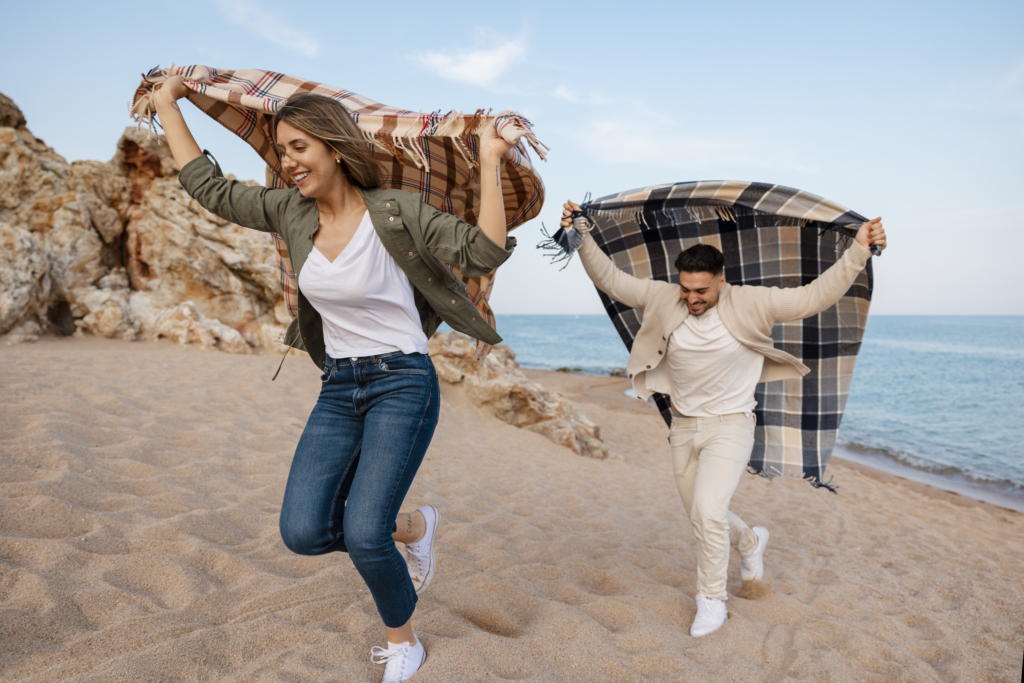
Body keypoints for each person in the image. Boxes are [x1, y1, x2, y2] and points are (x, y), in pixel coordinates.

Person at [153, 75, 517, 682]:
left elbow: (483, 252)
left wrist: (488, 160)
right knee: (303, 531)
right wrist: (168, 105)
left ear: (335, 148)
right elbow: (212, 190)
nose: (288, 162)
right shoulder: (290, 212)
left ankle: (404, 642)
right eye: (282, 149)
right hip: (339, 388)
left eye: (299, 148)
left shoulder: (395, 214)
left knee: (364, 532)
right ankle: (417, 527)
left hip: (402, 383)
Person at [560, 199, 886, 638]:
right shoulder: (664, 297)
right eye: (686, 290)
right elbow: (611, 279)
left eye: (702, 291)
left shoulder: (751, 302)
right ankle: (752, 541)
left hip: (731, 425)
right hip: (684, 427)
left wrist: (859, 249)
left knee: (709, 513)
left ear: (721, 281)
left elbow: (814, 297)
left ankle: (711, 600)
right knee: (701, 514)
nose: (692, 299)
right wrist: (580, 235)